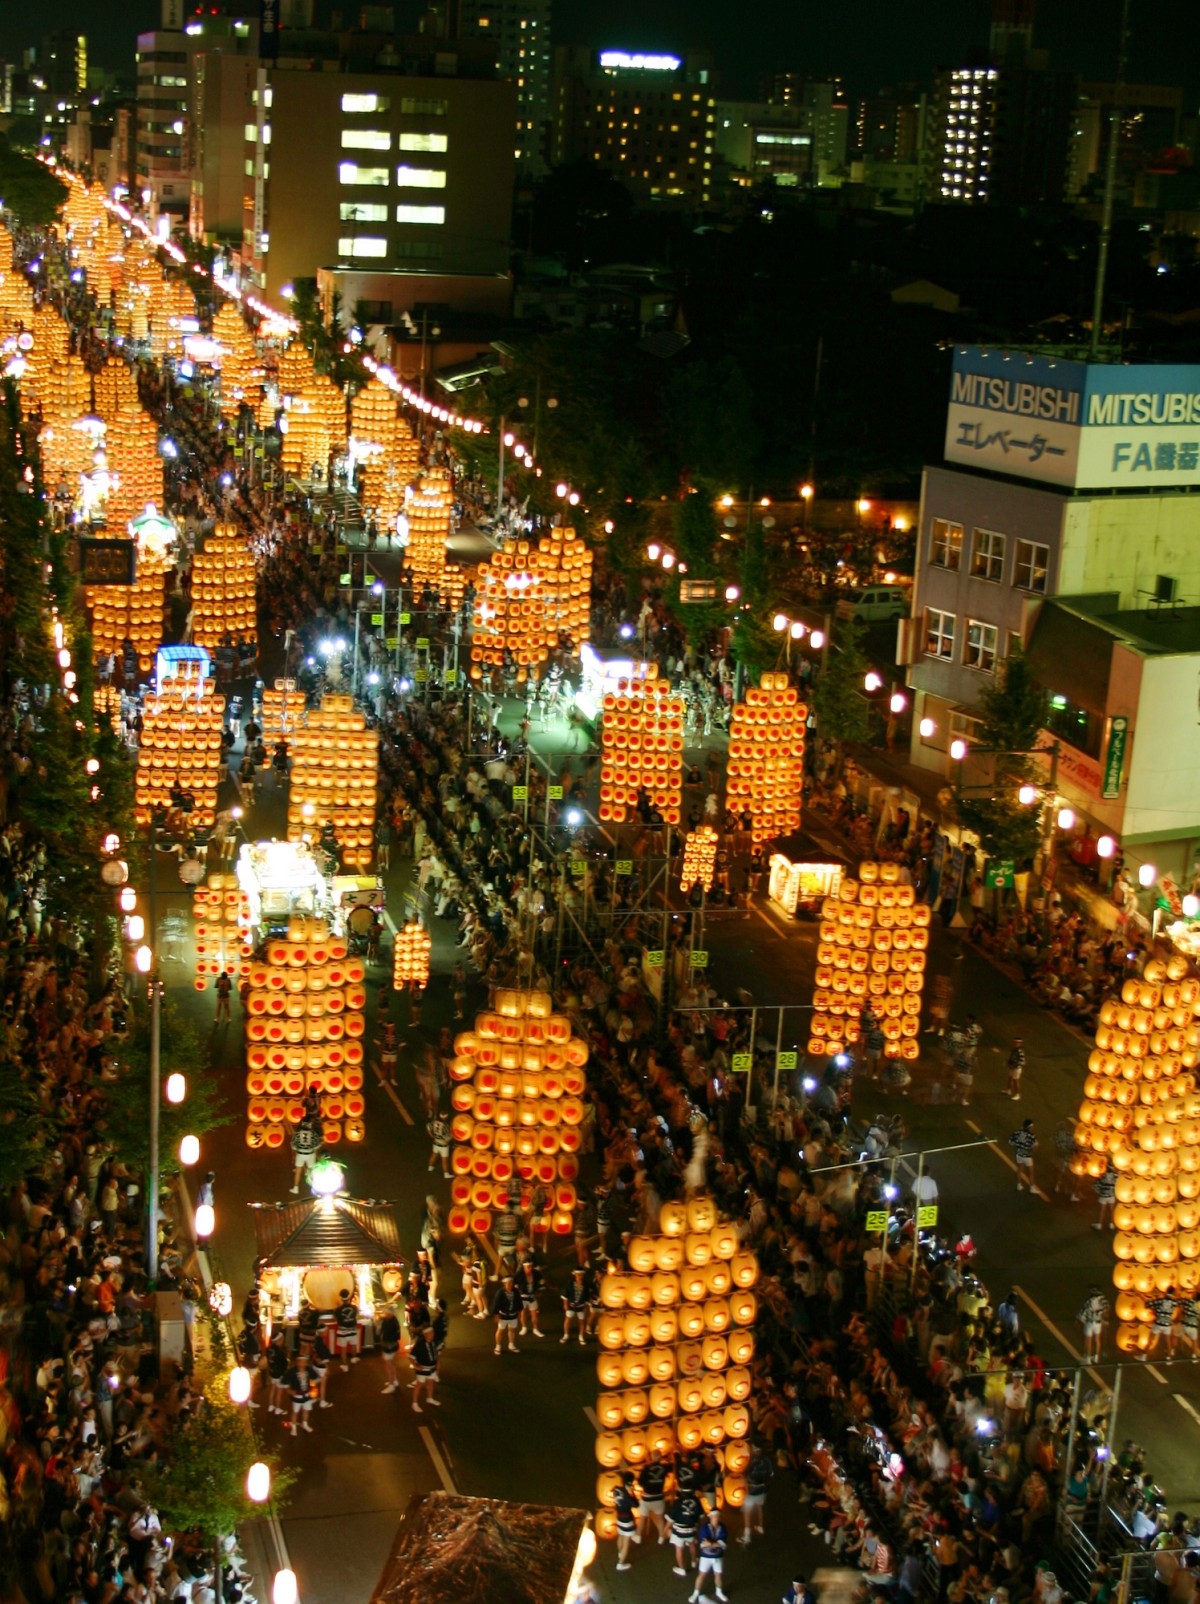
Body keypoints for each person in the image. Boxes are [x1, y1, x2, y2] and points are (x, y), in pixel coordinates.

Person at [691, 1508, 728, 1603]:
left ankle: (719, 1591)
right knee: (702, 1575)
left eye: (718, 1516)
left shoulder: (722, 1528)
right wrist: (716, 1543)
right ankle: (695, 1593)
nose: (717, 1518)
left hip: (718, 1556)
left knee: (718, 1574)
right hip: (706, 1556)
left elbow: (723, 1543)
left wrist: (711, 1543)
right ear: (710, 1517)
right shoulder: (704, 1528)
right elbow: (704, 1543)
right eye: (715, 1516)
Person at [740, 1441, 774, 1542]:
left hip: (751, 1490)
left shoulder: (750, 1461)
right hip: (763, 1489)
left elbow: (745, 1475)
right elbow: (771, 1474)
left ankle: (747, 1535)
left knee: (747, 1511)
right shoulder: (767, 1460)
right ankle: (760, 1526)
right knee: (760, 1507)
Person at [668, 1482, 703, 1577]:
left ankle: (682, 1568)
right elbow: (701, 1516)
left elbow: (670, 1519)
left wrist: (664, 1532)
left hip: (678, 1530)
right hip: (691, 1528)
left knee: (679, 1549)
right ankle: (693, 1561)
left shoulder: (677, 1502)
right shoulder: (696, 1500)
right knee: (691, 1544)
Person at [637, 1450, 669, 1544]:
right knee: (660, 1518)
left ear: (651, 1458)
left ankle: (638, 1535)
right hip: (659, 1497)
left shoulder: (646, 1468)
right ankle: (661, 1537)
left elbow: (640, 1482)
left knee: (643, 1518)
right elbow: (672, 1466)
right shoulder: (664, 1467)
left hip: (647, 1498)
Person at [409, 1324, 441, 1412]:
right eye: (430, 1332)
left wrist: (437, 1365)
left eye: (432, 1332)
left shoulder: (434, 1342)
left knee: (431, 1383)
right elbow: (411, 1357)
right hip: (423, 1368)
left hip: (432, 1367)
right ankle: (414, 1403)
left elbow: (437, 1354)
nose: (432, 1334)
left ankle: (429, 1398)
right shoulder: (420, 1344)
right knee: (419, 1384)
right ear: (425, 1334)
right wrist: (416, 1366)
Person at [283, 1350, 315, 1434]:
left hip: (307, 1395)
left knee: (306, 1410)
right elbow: (284, 1382)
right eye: (302, 1362)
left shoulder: (308, 1370)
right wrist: (289, 1390)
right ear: (298, 1362)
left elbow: (314, 1379)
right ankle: (293, 1427)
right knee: (295, 1411)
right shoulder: (292, 1371)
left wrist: (313, 1390)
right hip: (297, 1396)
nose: (304, 1364)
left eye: (305, 1362)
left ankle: (305, 1423)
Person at [1077, 1284, 1110, 1363]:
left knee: (1088, 1340)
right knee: (1097, 1339)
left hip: (1090, 1322)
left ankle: (1088, 1358)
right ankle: (1096, 1356)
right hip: (1098, 1322)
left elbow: (1085, 1310)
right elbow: (1107, 1309)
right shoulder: (1104, 1300)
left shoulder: (1090, 1300)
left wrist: (1079, 1319)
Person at [290, 1113, 322, 1194]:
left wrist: (294, 1154)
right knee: (312, 1172)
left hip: (300, 1154)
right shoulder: (313, 1134)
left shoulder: (297, 1134)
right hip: (310, 1154)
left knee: (298, 1172)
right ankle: (315, 1188)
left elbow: (293, 1146)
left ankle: (296, 1188)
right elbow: (316, 1146)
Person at [614, 1470, 639, 1571]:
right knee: (627, 1541)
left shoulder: (616, 1490)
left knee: (621, 1535)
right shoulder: (627, 1495)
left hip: (619, 1517)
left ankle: (620, 1553)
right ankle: (621, 1563)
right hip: (627, 1519)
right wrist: (631, 1492)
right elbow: (636, 1504)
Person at [492, 1274, 522, 1355]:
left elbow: (519, 1302)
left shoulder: (516, 1292)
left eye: (511, 1282)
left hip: (513, 1314)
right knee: (500, 1330)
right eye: (508, 1283)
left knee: (512, 1330)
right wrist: (496, 1315)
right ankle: (498, 1346)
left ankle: (511, 1344)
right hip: (503, 1315)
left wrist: (519, 1312)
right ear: (504, 1284)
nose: (510, 1284)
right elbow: (496, 1304)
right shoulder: (500, 1293)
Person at [515, 1257, 544, 1339]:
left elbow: (541, 1282)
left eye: (531, 1266)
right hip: (522, 1297)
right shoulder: (519, 1274)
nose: (530, 1269)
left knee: (534, 1314)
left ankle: (535, 1328)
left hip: (532, 1296)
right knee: (523, 1313)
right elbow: (514, 1284)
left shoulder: (536, 1273)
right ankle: (524, 1327)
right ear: (524, 1267)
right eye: (528, 1267)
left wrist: (540, 1290)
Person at [561, 1267, 592, 1344]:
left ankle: (581, 1336)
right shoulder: (570, 1283)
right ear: (575, 1275)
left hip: (581, 1306)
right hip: (571, 1305)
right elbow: (566, 1294)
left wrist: (586, 1307)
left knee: (581, 1321)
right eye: (578, 1275)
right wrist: (565, 1303)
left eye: (581, 1275)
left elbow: (587, 1296)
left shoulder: (586, 1284)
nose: (579, 1277)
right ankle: (566, 1335)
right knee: (568, 1320)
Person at [334, 1286, 360, 1368]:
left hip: (342, 1331)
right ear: (349, 1296)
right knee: (354, 1346)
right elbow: (356, 1316)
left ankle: (345, 1366)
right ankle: (353, 1359)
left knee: (343, 1350)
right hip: (353, 1330)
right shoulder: (355, 1307)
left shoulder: (337, 1309)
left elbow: (336, 1319)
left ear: (341, 1298)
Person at [1009, 1119, 1038, 1193]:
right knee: (1031, 1172)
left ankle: (1019, 1185)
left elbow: (1011, 1142)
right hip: (1027, 1156)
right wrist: (1032, 1152)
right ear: (1030, 1126)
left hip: (1019, 1154)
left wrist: (1018, 1146)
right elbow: (1035, 1145)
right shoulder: (1031, 1135)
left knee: (1019, 1169)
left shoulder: (1017, 1133)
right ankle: (1032, 1188)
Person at [427, 1108, 451, 1177]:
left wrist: (431, 1135)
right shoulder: (446, 1126)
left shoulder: (434, 1122)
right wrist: (452, 1135)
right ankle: (446, 1174)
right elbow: (447, 1138)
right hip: (443, 1145)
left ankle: (430, 1167)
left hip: (436, 1142)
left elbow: (428, 1126)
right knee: (444, 1159)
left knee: (434, 1154)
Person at [1094, 1160, 1117, 1230]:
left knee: (1102, 1211)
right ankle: (1111, 1224)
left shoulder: (1102, 1176)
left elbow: (1096, 1185)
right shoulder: (1115, 1176)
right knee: (1112, 1210)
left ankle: (1099, 1224)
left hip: (1103, 1196)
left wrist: (1099, 1192)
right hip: (1111, 1195)